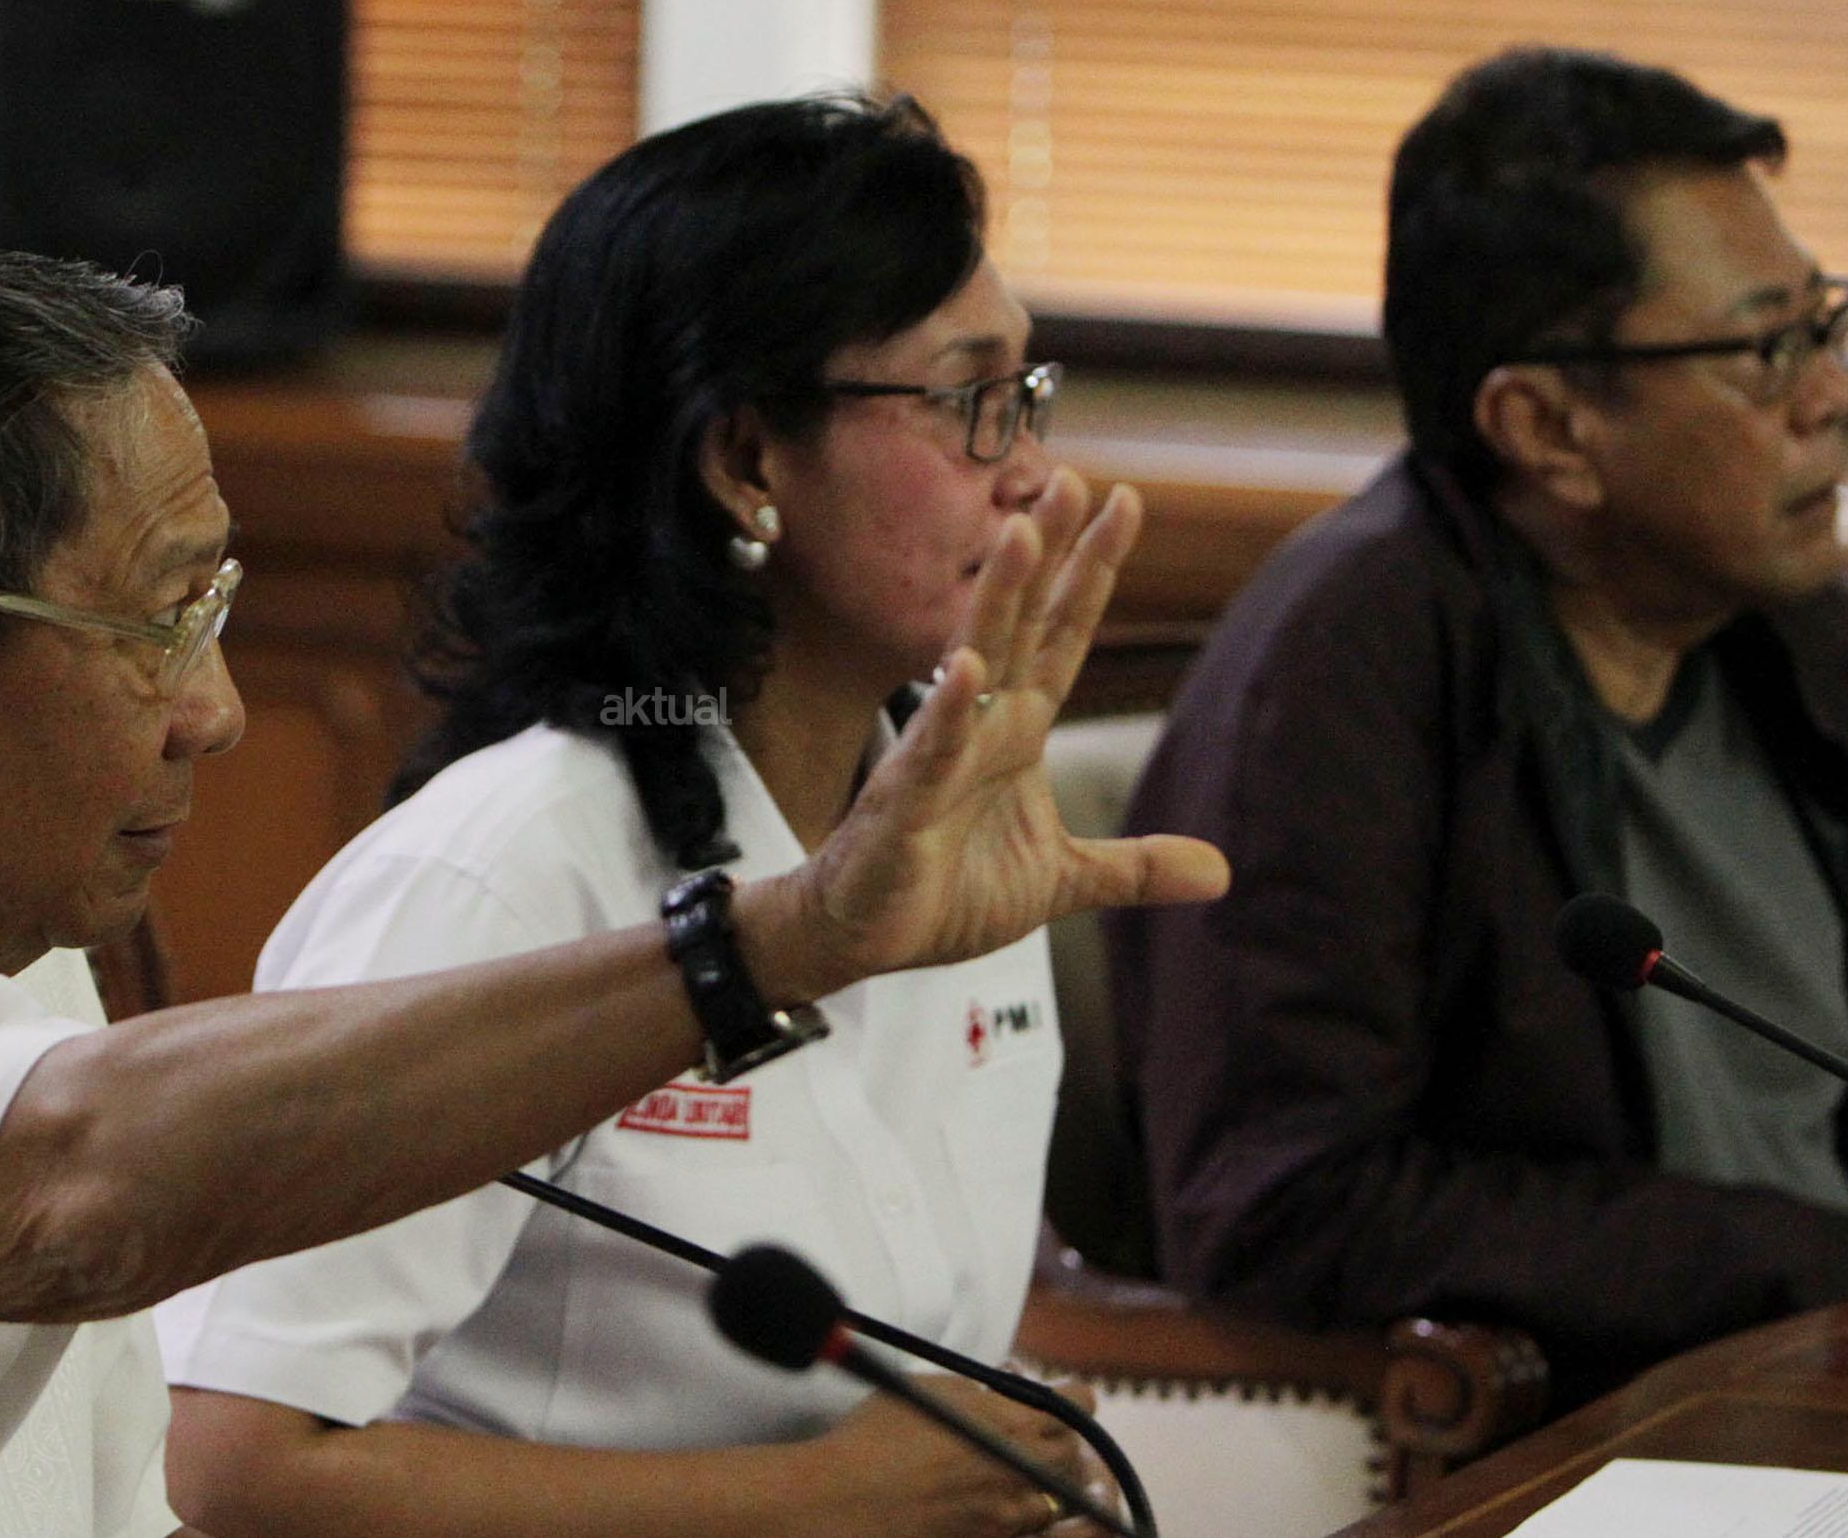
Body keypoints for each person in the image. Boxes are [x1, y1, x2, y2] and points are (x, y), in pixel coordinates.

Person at [0, 233, 1224, 1538]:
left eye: (218, 606)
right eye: (157, 621)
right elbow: (72, 1187)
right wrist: (768, 949)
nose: (215, 707)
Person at [153, 95, 1122, 1538]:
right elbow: (236, 1464)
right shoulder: (500, 875)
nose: (1032, 468)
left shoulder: (957, 814)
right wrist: (810, 1504)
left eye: (1027, 396)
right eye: (968, 401)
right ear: (745, 462)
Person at [1108, 45, 1848, 1406]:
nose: (1829, 393)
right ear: (1546, 427)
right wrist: (1835, 1270)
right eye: (1764, 349)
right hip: (1592, 1431)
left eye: (1823, 321)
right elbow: (1284, 1204)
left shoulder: (1817, 643)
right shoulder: (1346, 671)